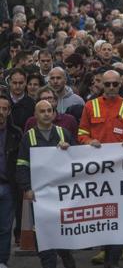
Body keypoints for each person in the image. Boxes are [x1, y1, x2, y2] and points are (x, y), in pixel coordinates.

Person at [77, 70, 123, 268]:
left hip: (122, 171)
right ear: (101, 86)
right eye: (108, 84)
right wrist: (89, 141)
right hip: (97, 171)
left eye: (115, 84)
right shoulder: (90, 106)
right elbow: (81, 133)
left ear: (120, 85)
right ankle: (105, 252)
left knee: (119, 214)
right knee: (101, 213)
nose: (112, 87)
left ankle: (112, 260)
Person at [16, 100, 76, 268]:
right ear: (35, 115)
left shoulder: (64, 133)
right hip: (40, 196)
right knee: (42, 233)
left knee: (63, 229)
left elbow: (79, 160)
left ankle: (67, 257)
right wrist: (27, 188)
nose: (47, 114)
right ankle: (48, 263)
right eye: (42, 111)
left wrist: (69, 148)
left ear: (54, 113)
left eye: (50, 110)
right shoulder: (29, 136)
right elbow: (21, 165)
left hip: (63, 194)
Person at [0, 93, 21, 268]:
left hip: (8, 187)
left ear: (9, 111)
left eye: (4, 109)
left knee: (5, 228)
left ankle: (2, 260)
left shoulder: (16, 133)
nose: (0, 111)